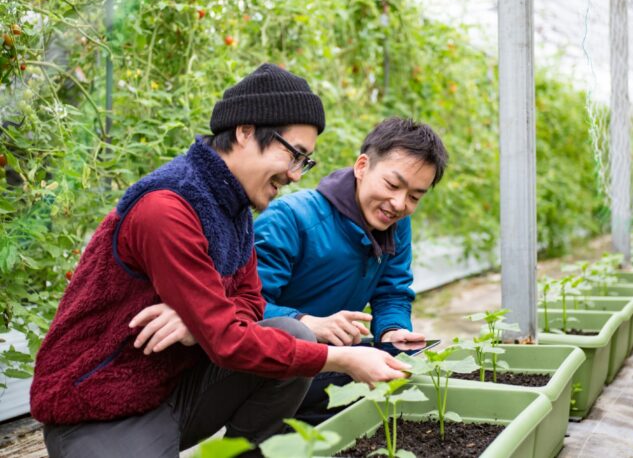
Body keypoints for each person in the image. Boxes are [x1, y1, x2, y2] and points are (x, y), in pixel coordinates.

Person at [30, 64, 408, 458]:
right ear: (245, 131)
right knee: (293, 348)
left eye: (305, 161)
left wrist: (199, 321)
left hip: (174, 389)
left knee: (293, 336)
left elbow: (251, 303)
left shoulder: (233, 209)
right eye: (294, 155)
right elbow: (227, 341)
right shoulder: (167, 208)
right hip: (100, 406)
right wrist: (344, 358)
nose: (296, 175)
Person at [254, 117, 448, 423]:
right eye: (392, 185)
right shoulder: (289, 219)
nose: (399, 204)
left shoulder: (396, 225)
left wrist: (392, 330)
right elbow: (243, 310)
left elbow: (393, 291)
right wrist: (306, 322)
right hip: (271, 371)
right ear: (362, 166)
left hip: (334, 361)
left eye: (414, 197)